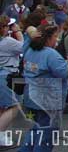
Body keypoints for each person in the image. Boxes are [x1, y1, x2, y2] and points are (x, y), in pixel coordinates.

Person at [21, 24, 68, 152]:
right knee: (46, 136)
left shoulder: (29, 50)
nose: (56, 40)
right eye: (55, 37)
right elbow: (63, 72)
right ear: (48, 38)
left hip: (31, 98)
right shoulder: (51, 54)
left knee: (34, 131)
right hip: (48, 101)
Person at [0, 16, 23, 146]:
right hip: (8, 74)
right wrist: (18, 31)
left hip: (3, 73)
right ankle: (1, 133)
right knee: (15, 106)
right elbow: (23, 48)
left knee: (3, 107)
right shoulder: (7, 41)